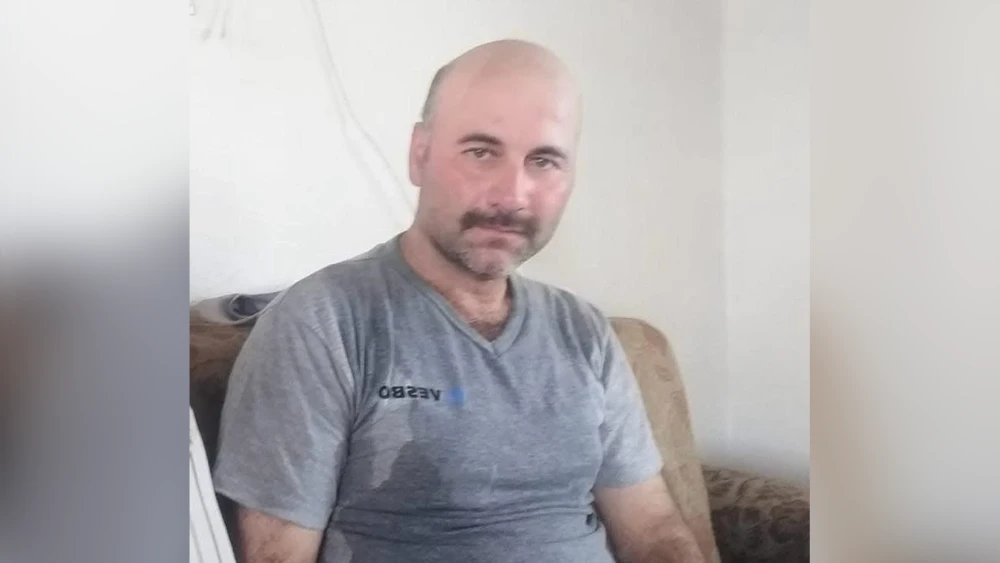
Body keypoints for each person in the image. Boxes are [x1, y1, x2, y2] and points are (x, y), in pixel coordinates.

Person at [213, 39, 706, 563]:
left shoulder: (585, 331)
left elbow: (653, 530)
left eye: (543, 160)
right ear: (419, 155)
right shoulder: (323, 322)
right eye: (481, 152)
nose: (512, 195)